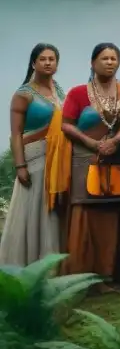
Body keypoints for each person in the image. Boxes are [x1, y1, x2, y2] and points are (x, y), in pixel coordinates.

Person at [60, 43, 120, 279]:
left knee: (113, 211)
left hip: (116, 158)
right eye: (104, 58)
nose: (110, 62)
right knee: (85, 210)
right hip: (85, 158)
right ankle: (81, 273)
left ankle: (111, 272)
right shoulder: (78, 92)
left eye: (114, 58)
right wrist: (91, 143)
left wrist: (116, 141)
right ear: (92, 63)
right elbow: (66, 124)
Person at [0, 44, 65, 265]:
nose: (48, 63)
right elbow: (16, 134)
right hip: (34, 158)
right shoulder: (24, 94)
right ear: (33, 63)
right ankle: (24, 263)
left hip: (57, 158)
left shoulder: (58, 89)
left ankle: (53, 262)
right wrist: (20, 166)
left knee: (52, 210)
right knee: (33, 209)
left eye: (52, 59)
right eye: (43, 59)